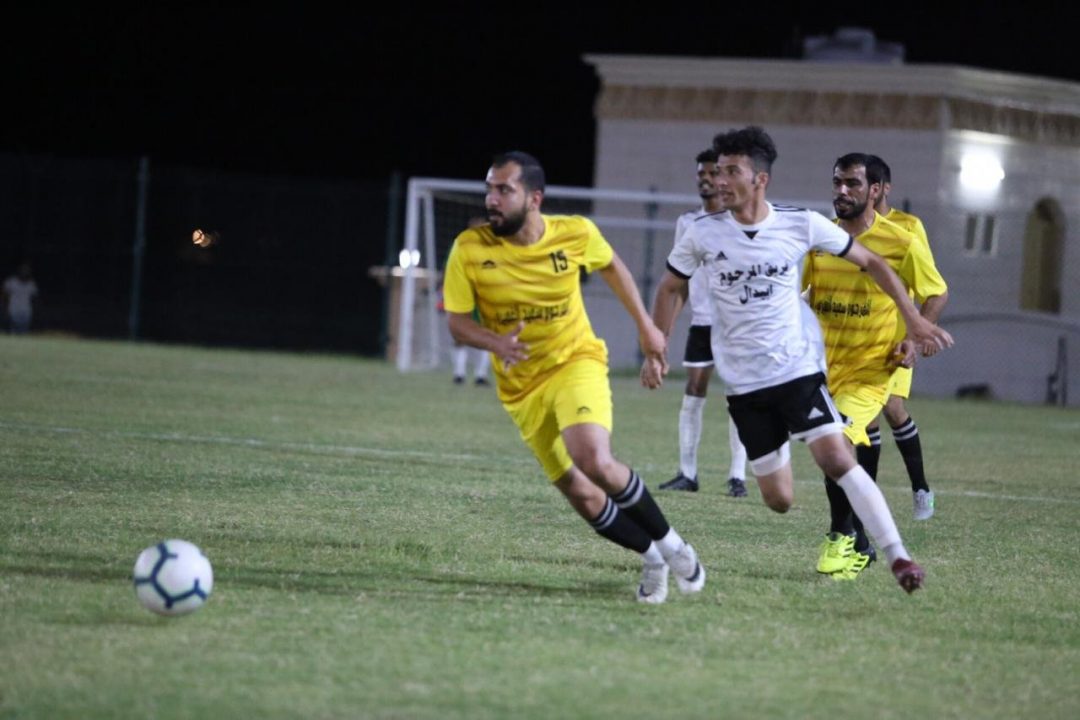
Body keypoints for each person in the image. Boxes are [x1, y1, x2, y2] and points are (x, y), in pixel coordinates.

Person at [644, 127, 954, 594]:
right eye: (717, 172)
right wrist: (657, 345)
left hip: (803, 369)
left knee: (837, 454)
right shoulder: (701, 232)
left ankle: (895, 555)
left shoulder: (802, 224)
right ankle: (802, 467)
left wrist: (913, 323)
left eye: (731, 172)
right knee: (779, 499)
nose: (719, 181)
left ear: (760, 179)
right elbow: (671, 287)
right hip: (748, 383)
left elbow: (875, 264)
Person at [443, 151, 705, 604]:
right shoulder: (469, 248)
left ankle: (674, 545)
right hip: (521, 388)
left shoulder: (575, 233)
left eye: (504, 190)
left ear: (534, 198)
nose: (491, 199)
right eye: (489, 189)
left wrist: (647, 328)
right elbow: (456, 323)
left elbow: (613, 267)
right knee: (580, 493)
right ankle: (652, 558)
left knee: (593, 458)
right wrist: (495, 342)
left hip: (575, 361)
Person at [805, 153, 950, 581]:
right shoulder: (820, 239)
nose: (842, 191)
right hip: (823, 368)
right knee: (831, 452)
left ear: (875, 190)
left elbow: (936, 291)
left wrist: (914, 336)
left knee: (838, 441)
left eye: (851, 183)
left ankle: (842, 537)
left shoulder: (901, 240)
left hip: (873, 367)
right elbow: (803, 295)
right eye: (837, 182)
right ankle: (862, 543)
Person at [658, 148, 749, 497]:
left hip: (734, 323)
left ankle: (738, 476)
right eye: (701, 174)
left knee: (737, 394)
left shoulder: (737, 220)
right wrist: (665, 329)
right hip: (701, 322)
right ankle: (688, 472)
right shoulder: (688, 223)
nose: (706, 179)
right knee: (694, 388)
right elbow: (678, 280)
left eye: (712, 173)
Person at [864, 157, 948, 520]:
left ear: (883, 188)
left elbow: (932, 286)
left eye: (864, 184)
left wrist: (919, 333)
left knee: (893, 409)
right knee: (865, 419)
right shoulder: (848, 229)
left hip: (898, 336)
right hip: (862, 337)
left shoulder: (908, 228)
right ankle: (866, 504)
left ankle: (920, 488)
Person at [2, 262, 39, 334]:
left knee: (24, 332)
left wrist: (36, 311)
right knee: (13, 331)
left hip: (26, 311)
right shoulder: (11, 282)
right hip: (13, 310)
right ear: (19, 270)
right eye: (23, 270)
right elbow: (4, 297)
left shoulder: (31, 284)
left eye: (27, 270)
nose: (25, 272)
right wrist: (4, 309)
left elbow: (35, 299)